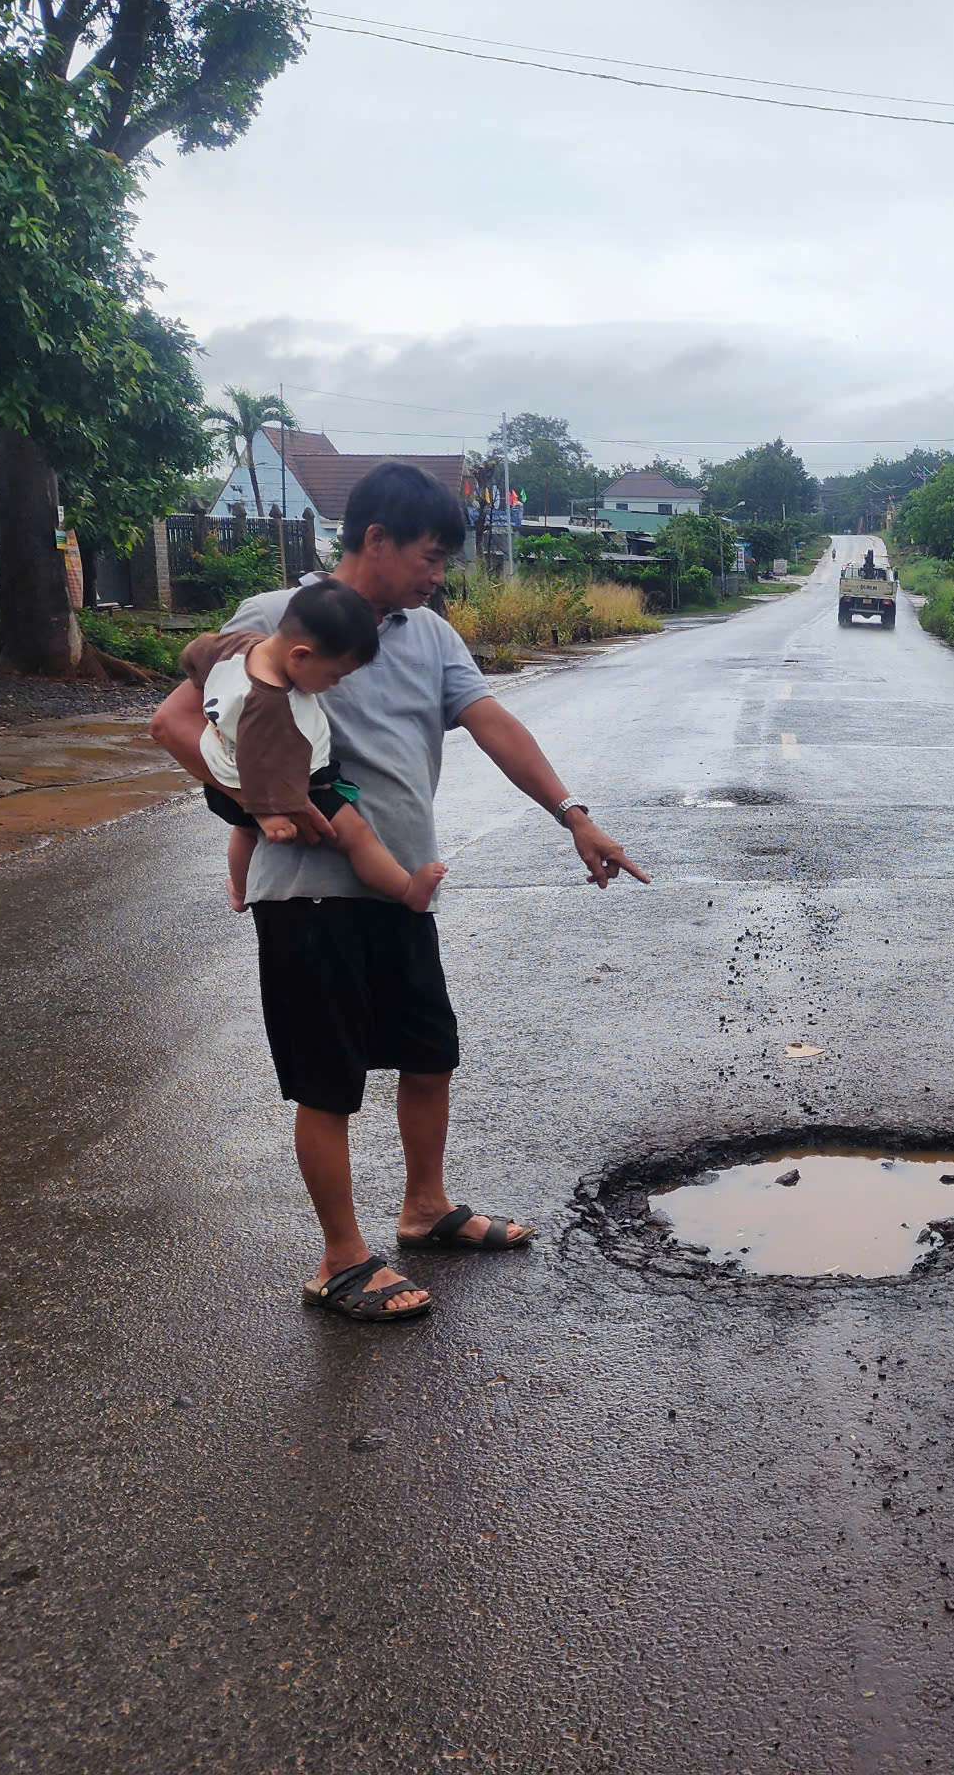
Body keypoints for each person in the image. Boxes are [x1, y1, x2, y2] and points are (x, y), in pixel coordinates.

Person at [149, 462, 647, 1324]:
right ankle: (340, 1258)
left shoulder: (429, 634)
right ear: (374, 539)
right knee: (327, 1077)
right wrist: (255, 799)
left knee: (428, 1052)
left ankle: (425, 1208)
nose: (438, 572)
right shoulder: (275, 619)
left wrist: (572, 813)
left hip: (400, 886)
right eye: (430, 554)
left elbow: (494, 724)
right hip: (307, 893)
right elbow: (175, 722)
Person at [181, 576, 446, 915]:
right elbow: (259, 760)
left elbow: (198, 650)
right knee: (356, 836)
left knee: (243, 831)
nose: (334, 685)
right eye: (333, 676)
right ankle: (409, 890)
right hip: (279, 782)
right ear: (301, 655)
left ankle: (240, 889)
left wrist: (197, 674)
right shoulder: (270, 705)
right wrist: (271, 813)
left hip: (221, 775)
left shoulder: (241, 644)